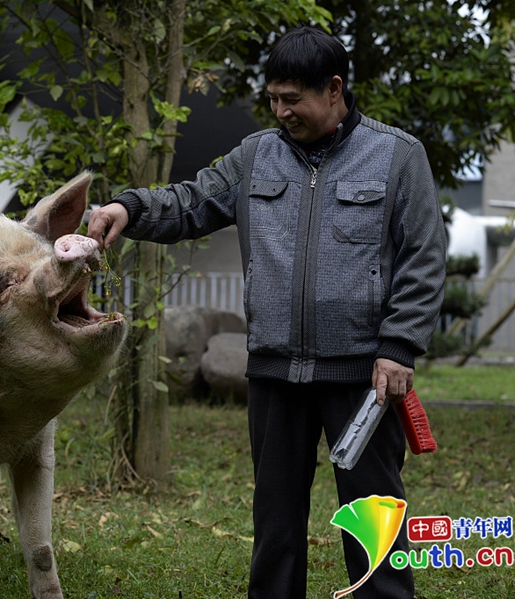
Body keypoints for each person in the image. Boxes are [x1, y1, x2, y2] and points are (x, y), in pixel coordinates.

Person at [87, 25, 446, 599]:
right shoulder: (255, 157)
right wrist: (128, 209)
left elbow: (424, 258)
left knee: (376, 526)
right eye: (273, 99)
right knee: (274, 529)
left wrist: (399, 345)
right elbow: (191, 201)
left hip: (363, 377)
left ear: (334, 90)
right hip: (275, 373)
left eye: (292, 99)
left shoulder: (398, 157)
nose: (281, 112)